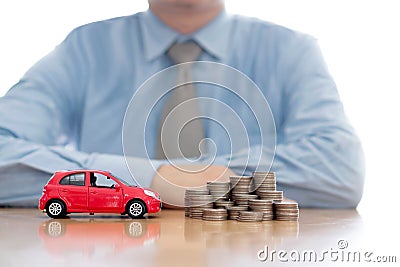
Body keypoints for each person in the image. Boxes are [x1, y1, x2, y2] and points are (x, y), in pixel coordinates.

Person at [0, 0, 364, 208]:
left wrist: (180, 180)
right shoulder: (85, 48)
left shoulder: (290, 50)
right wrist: (151, 179)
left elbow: (339, 167)